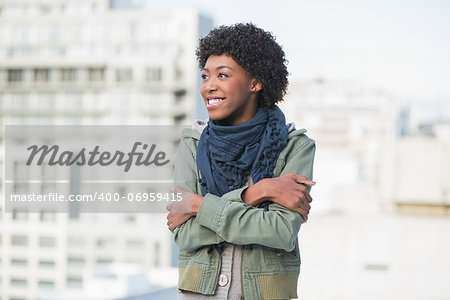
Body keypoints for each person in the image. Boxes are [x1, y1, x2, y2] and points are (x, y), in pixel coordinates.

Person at [166, 23, 316, 300]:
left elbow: (281, 231)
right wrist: (258, 193)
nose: (208, 86)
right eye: (205, 76)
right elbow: (184, 234)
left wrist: (200, 206)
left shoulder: (296, 146)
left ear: (255, 82)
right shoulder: (193, 143)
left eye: (222, 75)